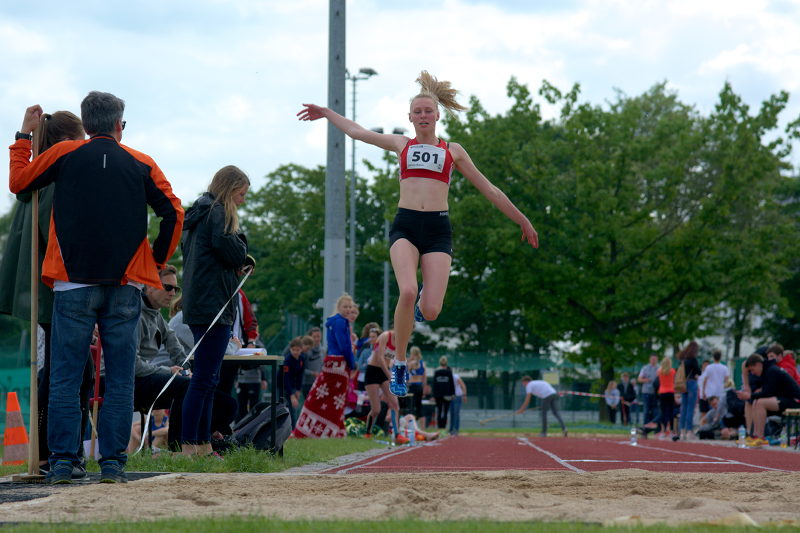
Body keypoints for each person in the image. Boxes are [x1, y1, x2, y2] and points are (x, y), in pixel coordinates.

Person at [298, 71, 538, 397]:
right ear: (409, 117)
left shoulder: (453, 151)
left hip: (439, 230)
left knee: (432, 310)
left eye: (428, 111)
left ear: (438, 115)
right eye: (418, 112)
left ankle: (424, 297)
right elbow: (357, 132)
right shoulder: (401, 144)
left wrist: (522, 218)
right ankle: (398, 362)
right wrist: (327, 112)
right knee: (407, 291)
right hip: (406, 227)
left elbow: (490, 190)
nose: (423, 116)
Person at [9, 94, 183, 484]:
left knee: (65, 379)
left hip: (71, 284)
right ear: (120, 124)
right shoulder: (141, 161)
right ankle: (112, 465)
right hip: (125, 284)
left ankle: (62, 464)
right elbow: (173, 213)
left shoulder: (65, 154)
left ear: (87, 126)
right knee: (120, 378)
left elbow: (19, 182)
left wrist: (23, 136)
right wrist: (153, 262)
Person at [1, 108, 87, 477]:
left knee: (58, 370)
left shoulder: (40, 171)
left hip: (47, 285)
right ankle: (54, 451)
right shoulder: (57, 175)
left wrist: (23, 135)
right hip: (59, 285)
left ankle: (51, 450)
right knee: (65, 373)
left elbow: (19, 176)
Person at [180, 165, 250, 456]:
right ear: (230, 189)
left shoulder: (197, 214)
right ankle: (190, 444)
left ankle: (201, 443)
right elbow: (232, 252)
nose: (242, 201)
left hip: (200, 302)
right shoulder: (219, 212)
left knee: (207, 378)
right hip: (214, 305)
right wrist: (242, 247)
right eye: (241, 194)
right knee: (205, 379)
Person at [131, 264, 191, 452]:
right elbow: (134, 366)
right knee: (184, 386)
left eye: (176, 288)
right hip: (125, 382)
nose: (173, 293)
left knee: (200, 387)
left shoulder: (155, 314)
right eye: (168, 287)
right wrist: (169, 371)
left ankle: (206, 443)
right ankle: (178, 449)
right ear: (149, 286)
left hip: (144, 378)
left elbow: (175, 346)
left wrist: (187, 368)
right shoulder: (134, 314)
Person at [292, 294, 357, 438]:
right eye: (345, 307)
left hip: (333, 362)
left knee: (324, 396)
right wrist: (352, 362)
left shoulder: (335, 322)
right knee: (336, 398)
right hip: (338, 364)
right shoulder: (341, 322)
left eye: (349, 307)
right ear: (339, 308)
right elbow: (344, 346)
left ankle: (315, 427)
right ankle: (330, 429)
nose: (348, 309)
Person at [737, 353, 800, 446]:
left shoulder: (771, 371)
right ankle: (754, 436)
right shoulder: (767, 371)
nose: (752, 373)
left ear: (758, 364)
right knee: (755, 402)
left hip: (794, 401)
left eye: (752, 370)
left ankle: (760, 437)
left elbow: (768, 393)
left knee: (760, 403)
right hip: (785, 399)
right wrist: (753, 396)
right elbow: (768, 392)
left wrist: (750, 395)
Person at [363, 329, 400, 441]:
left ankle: (397, 434)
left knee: (395, 403)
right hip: (373, 371)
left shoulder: (401, 340)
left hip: (385, 372)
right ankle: (368, 433)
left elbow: (399, 359)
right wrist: (390, 375)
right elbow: (380, 359)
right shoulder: (385, 336)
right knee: (376, 410)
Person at [676, 341, 701, 440]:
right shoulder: (693, 359)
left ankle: (682, 431)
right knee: (691, 408)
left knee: (684, 408)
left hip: (683, 384)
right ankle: (689, 431)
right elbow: (698, 372)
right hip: (691, 383)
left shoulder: (683, 359)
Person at [283, 337, 306, 428]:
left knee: (294, 407)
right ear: (290, 349)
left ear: (301, 350)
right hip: (284, 385)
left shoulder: (302, 359)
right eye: (293, 350)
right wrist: (292, 395)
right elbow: (286, 378)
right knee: (288, 407)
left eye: (298, 350)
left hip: (293, 384)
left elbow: (301, 375)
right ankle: (290, 429)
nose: (295, 352)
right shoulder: (288, 360)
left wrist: (298, 390)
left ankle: (293, 428)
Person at [432, 356, 456, 430]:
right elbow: (452, 383)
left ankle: (439, 427)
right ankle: (444, 428)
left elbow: (434, 384)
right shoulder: (449, 372)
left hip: (438, 395)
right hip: (447, 395)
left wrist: (434, 395)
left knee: (439, 411)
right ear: (446, 363)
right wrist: (453, 393)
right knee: (445, 412)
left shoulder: (436, 372)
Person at [657, 356, 676, 440]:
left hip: (662, 392)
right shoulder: (672, 371)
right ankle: (671, 431)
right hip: (671, 392)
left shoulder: (659, 371)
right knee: (670, 412)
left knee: (663, 412)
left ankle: (663, 430)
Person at [637, 354, 660, 425]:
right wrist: (647, 380)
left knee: (655, 410)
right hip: (646, 392)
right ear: (650, 360)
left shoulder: (659, 368)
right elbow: (639, 379)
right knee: (646, 410)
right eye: (652, 359)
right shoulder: (645, 368)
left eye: (655, 359)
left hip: (656, 393)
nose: (654, 361)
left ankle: (654, 427)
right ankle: (645, 427)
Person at [408, 346, 427, 427]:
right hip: (420, 386)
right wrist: (424, 387)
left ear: (413, 354)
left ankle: (413, 427)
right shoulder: (423, 363)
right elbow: (424, 377)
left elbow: (405, 374)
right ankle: (423, 428)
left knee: (411, 406)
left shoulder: (411, 363)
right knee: (419, 406)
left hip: (412, 386)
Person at [302, 327, 323, 399]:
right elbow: (302, 369)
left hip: (319, 383)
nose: (317, 339)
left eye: (319, 336)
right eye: (314, 337)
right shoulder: (306, 351)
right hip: (307, 383)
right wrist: (312, 373)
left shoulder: (322, 350)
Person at [449, 370, 467, 436]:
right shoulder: (447, 378)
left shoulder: (456, 377)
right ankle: (451, 429)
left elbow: (463, 385)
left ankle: (455, 429)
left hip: (457, 396)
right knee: (451, 413)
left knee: (456, 413)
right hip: (451, 397)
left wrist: (464, 395)